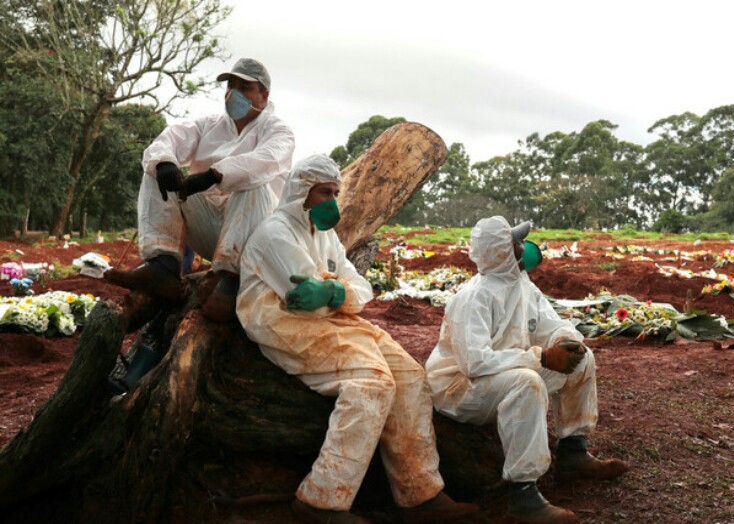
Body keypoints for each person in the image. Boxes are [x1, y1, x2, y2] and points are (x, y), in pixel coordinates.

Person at [236, 153, 478, 524]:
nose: (332, 201)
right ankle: (321, 500)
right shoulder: (275, 233)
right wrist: (338, 293)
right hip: (282, 323)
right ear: (302, 191)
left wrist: (334, 292)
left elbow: (363, 290)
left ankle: (420, 493)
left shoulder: (326, 235)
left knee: (411, 377)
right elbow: (307, 306)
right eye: (323, 192)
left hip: (335, 319)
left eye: (335, 191)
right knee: (373, 383)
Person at [425, 216, 630, 524]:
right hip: (458, 389)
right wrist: (541, 358)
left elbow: (552, 324)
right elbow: (474, 363)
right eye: (518, 243)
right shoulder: (473, 298)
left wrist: (565, 341)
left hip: (500, 377)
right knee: (527, 381)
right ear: (502, 253)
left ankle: (573, 451)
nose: (526, 248)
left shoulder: (522, 285)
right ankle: (523, 494)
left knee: (582, 360)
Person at [105, 58, 295, 322]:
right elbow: (167, 141)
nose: (234, 93)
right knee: (155, 170)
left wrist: (215, 175)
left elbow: (266, 161)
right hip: (213, 231)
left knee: (253, 183)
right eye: (231, 85)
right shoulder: (209, 125)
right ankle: (163, 267)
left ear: (264, 96)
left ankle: (228, 282)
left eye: (245, 87)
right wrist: (166, 163)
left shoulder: (278, 131)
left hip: (257, 240)